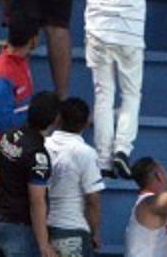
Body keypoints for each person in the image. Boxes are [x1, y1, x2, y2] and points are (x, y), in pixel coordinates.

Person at [73, 0, 154, 179]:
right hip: (131, 30)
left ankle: (104, 160)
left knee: (103, 95)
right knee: (131, 94)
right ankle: (123, 149)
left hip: (98, 27)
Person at [0, 91, 60, 257]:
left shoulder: (7, 137)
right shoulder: (38, 155)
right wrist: (44, 244)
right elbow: (37, 200)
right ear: (55, 120)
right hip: (21, 232)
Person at [44, 98, 104, 257]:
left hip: (42, 230)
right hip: (73, 230)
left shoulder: (42, 145)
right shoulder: (86, 153)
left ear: (58, 119)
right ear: (86, 123)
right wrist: (95, 232)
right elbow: (93, 201)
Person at [0, 21, 39, 141]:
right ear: (33, 40)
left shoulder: (21, 59)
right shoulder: (3, 74)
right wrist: (34, 115)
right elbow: (0, 122)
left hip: (20, 138)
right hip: (3, 146)